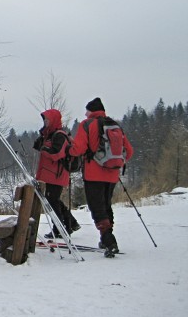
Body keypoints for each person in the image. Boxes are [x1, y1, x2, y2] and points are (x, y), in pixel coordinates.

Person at [69, 97, 134, 256]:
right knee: (106, 205)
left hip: (93, 173)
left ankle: (108, 239)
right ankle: (106, 237)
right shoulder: (114, 125)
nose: (85, 113)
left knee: (97, 207)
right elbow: (129, 151)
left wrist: (70, 150)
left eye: (87, 110)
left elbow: (78, 148)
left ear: (91, 111)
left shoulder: (87, 124)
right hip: (112, 174)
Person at [33, 109, 79, 238]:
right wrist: (43, 135)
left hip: (57, 174)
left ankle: (60, 228)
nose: (45, 122)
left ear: (53, 120)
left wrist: (44, 148)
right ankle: (69, 223)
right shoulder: (49, 134)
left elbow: (56, 153)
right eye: (44, 120)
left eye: (47, 120)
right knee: (53, 200)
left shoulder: (59, 135)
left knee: (52, 201)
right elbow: (36, 145)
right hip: (51, 174)